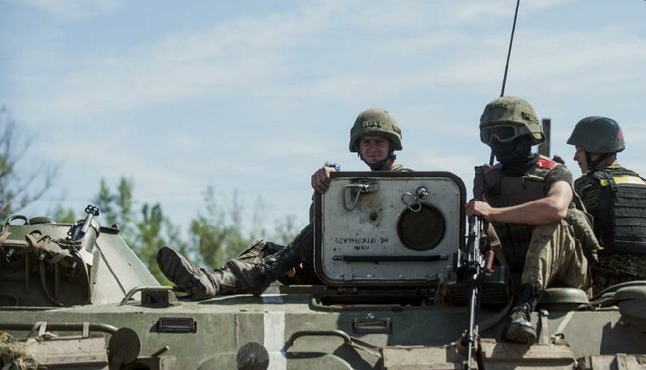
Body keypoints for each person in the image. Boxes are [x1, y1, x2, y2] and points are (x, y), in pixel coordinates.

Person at [157, 108, 408, 300]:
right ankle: (212, 282)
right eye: (367, 142)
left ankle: (261, 273)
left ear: (391, 146)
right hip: (338, 267)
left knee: (321, 228)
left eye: (379, 142)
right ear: (358, 148)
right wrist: (327, 188)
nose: (373, 148)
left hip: (381, 273)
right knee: (266, 250)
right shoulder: (348, 189)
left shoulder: (409, 187)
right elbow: (325, 226)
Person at [465, 96, 595, 345]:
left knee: (551, 223)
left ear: (526, 135)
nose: (494, 143)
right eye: (488, 136)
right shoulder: (489, 179)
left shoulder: (555, 171)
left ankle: (523, 308)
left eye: (502, 134)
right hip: (511, 271)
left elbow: (556, 208)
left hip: (566, 271)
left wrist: (492, 212)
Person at [567, 116, 646, 296]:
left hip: (601, 284)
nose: (575, 157)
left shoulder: (586, 185)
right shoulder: (642, 183)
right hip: (645, 282)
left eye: (579, 150)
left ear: (595, 148)